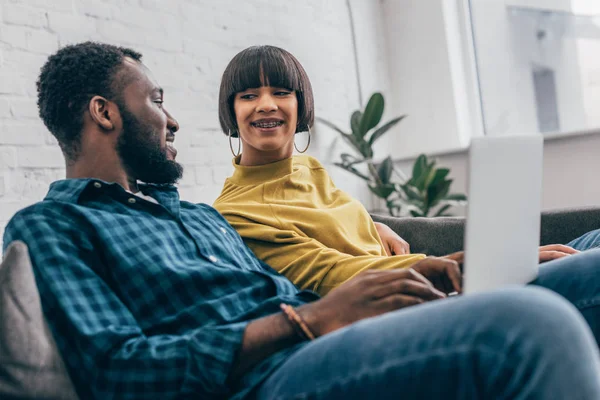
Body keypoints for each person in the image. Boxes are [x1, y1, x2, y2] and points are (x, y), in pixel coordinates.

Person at [5, 41, 600, 400]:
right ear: (104, 114)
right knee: (531, 325)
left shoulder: (196, 219)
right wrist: (307, 319)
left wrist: (431, 279)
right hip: (259, 382)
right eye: (156, 101)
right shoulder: (54, 227)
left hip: (320, 346)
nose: (173, 120)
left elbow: (300, 292)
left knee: (583, 269)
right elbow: (117, 372)